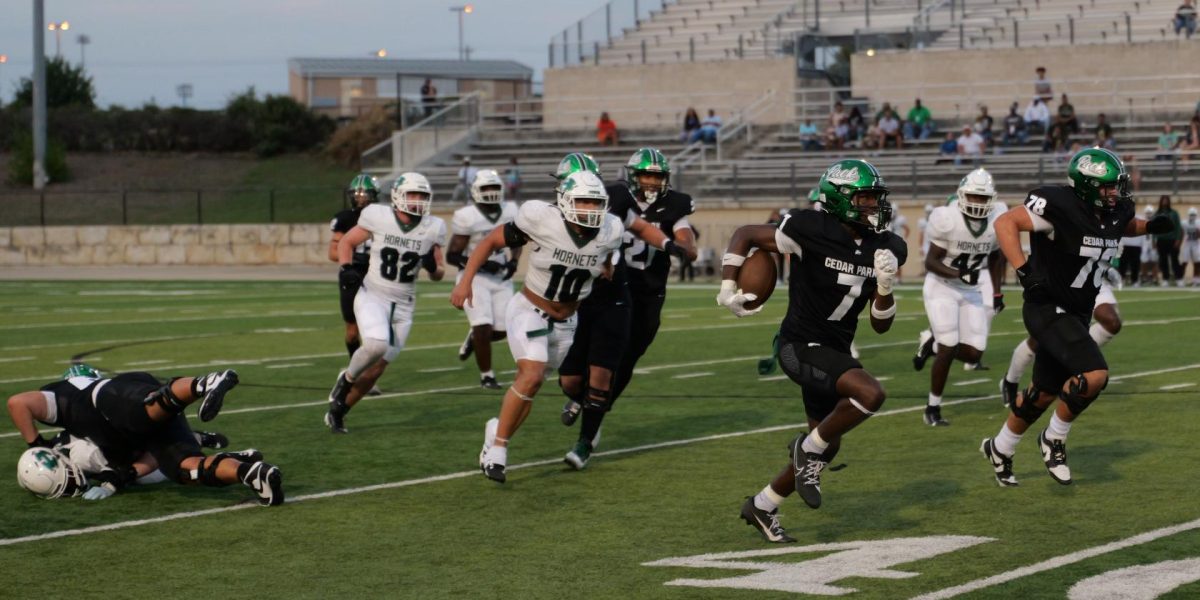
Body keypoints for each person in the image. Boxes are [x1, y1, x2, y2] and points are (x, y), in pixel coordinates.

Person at [722, 159, 905, 543]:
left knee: (827, 444)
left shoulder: (887, 246)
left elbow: (881, 324)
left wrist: (885, 288)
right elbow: (746, 234)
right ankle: (806, 451)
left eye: (875, 198)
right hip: (799, 345)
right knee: (871, 394)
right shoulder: (808, 228)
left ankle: (762, 504)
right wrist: (727, 286)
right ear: (839, 200)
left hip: (835, 349)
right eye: (865, 198)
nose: (874, 206)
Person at [984, 148, 1172, 487]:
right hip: (1047, 305)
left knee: (1043, 392)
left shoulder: (1113, 211)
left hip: (1078, 309)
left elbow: (1119, 226)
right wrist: (1025, 272)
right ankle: (1054, 438)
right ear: (1086, 187)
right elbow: (1005, 222)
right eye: (1107, 187)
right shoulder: (1060, 206)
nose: (1115, 193)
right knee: (1095, 374)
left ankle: (1000, 447)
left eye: (1117, 186)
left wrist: (1147, 226)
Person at [451, 170, 625, 483]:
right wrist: (466, 283)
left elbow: (607, 256)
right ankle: (499, 451)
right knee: (531, 375)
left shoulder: (610, 229)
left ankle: (496, 431)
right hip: (530, 310)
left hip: (567, 321)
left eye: (595, 202)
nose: (590, 209)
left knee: (530, 387)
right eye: (583, 201)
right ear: (566, 200)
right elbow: (491, 241)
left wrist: (607, 267)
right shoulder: (541, 219)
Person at [556, 149, 696, 470]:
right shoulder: (611, 196)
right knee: (580, 371)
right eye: (646, 175)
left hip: (646, 293)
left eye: (656, 176)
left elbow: (680, 231)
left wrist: (683, 244)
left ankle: (591, 424)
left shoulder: (674, 204)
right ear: (633, 176)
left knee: (624, 360)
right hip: (609, 289)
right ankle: (583, 401)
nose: (650, 182)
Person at [8, 364, 283, 505]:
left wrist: (36, 443)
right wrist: (121, 477)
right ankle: (252, 473)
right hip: (138, 427)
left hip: (112, 397)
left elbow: (17, 402)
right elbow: (150, 456)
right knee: (186, 470)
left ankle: (204, 384)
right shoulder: (77, 434)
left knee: (141, 413)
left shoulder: (67, 394)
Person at [326, 173, 447, 433]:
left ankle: (339, 411)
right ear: (398, 195)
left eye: (422, 196)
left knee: (377, 369)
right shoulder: (378, 216)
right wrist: (346, 267)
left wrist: (433, 267)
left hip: (404, 306)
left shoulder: (433, 227)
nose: (417, 201)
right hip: (374, 295)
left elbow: (439, 274)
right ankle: (346, 380)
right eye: (413, 194)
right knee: (376, 345)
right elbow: (346, 241)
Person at [911, 169, 1007, 426]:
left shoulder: (997, 219)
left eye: (982, 198)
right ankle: (932, 408)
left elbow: (998, 256)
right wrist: (958, 273)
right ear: (962, 196)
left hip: (970, 289)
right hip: (942, 286)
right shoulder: (947, 218)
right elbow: (931, 262)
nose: (977, 203)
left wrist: (997, 291)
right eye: (973, 197)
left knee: (975, 354)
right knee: (950, 344)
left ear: (992, 199)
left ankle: (930, 345)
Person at [447, 169, 522, 390]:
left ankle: (474, 338)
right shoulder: (467, 216)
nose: (490, 193)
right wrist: (480, 262)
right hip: (475, 277)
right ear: (475, 191)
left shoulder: (510, 210)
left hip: (499, 277)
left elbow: (517, 241)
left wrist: (514, 262)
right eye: (485, 188)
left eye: (494, 188)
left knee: (504, 329)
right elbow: (452, 255)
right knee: (482, 326)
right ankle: (487, 375)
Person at [329, 174, 383, 397]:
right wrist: (351, 261)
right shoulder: (345, 218)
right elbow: (333, 252)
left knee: (376, 333)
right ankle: (356, 370)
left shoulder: (384, 218)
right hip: (352, 276)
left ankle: (367, 375)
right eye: (357, 195)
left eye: (365, 195)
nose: (360, 199)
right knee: (352, 332)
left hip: (377, 277)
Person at [1153, 194, 1184, 286]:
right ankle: (1165, 278)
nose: (1165, 202)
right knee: (1163, 260)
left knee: (1175, 260)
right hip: (1161, 240)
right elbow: (1154, 228)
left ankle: (1179, 279)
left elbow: (1178, 227)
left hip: (1172, 240)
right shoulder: (1157, 214)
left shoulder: (1174, 213)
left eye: (1166, 200)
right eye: (1163, 200)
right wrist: (1154, 240)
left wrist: (1178, 239)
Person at [1181, 207, 1200, 285]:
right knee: (1184, 262)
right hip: (1187, 244)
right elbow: (1181, 233)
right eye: (1191, 214)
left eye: (1193, 214)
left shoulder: (1198, 222)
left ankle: (1196, 279)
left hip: (1196, 243)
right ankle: (1180, 278)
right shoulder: (1184, 222)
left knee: (1197, 262)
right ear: (1188, 215)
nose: (1192, 216)